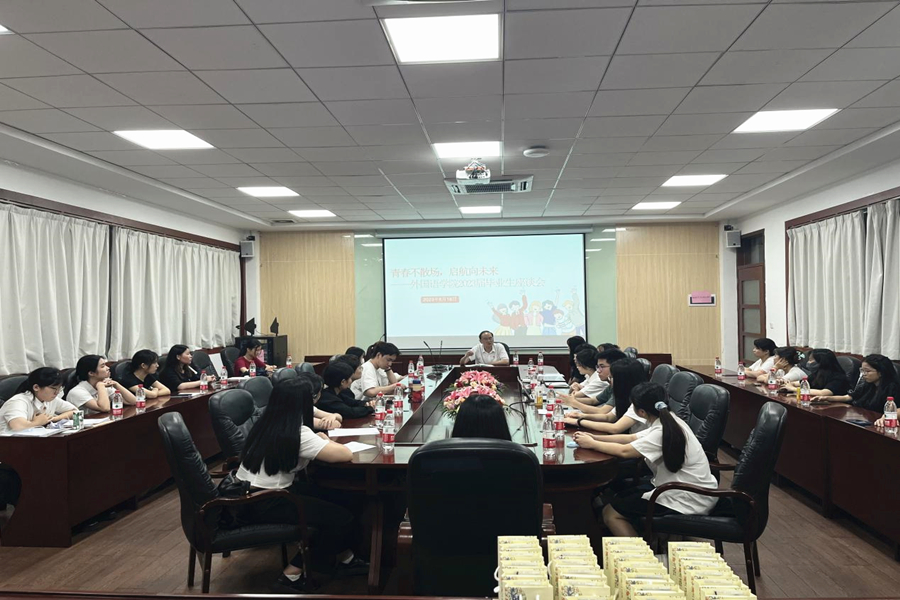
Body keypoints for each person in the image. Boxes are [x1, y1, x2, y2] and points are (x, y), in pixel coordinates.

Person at [236, 378, 368, 590]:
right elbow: (344, 454)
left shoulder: (266, 423)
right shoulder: (298, 433)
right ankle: (292, 574)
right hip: (268, 500)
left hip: (247, 495)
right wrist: (325, 441)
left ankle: (346, 558)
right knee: (340, 519)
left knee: (343, 497)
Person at [573, 383, 718, 536]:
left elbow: (625, 451)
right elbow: (631, 438)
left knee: (610, 514)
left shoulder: (662, 431)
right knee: (618, 499)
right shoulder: (670, 421)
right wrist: (594, 437)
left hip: (685, 497)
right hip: (680, 488)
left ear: (641, 412)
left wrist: (593, 444)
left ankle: (641, 551)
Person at [564, 357, 648, 434]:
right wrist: (580, 416)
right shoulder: (625, 395)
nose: (609, 380)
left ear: (623, 380)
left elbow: (615, 428)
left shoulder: (640, 399)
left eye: (611, 377)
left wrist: (578, 422)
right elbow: (608, 417)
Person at [0, 368, 76, 434]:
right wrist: (37, 422)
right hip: (9, 443)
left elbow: (75, 411)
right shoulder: (18, 401)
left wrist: (54, 419)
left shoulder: (50, 399)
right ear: (36, 387)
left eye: (59, 388)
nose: (57, 392)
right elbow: (18, 426)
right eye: (53, 388)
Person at [564, 348, 628, 414]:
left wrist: (574, 403)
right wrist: (569, 400)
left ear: (615, 366)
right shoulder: (610, 386)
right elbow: (593, 400)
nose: (598, 371)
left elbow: (603, 413)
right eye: (598, 367)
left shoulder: (622, 387)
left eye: (602, 367)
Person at [65, 355, 136, 413]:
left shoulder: (104, 384)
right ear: (91, 373)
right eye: (103, 366)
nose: (108, 368)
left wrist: (116, 384)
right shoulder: (77, 392)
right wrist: (100, 386)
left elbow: (133, 401)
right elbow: (105, 408)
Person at [830, 354, 899, 412]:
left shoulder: (893, 388)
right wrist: (827, 398)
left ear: (881, 372)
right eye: (862, 370)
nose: (863, 374)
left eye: (867, 371)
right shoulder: (868, 384)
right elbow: (851, 397)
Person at [782, 348, 850, 398]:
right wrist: (787, 383)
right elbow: (799, 383)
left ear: (822, 362)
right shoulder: (816, 374)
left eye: (811, 360)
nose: (808, 362)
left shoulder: (838, 377)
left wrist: (794, 389)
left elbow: (823, 393)